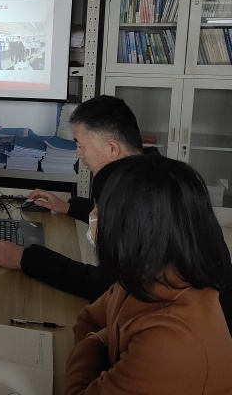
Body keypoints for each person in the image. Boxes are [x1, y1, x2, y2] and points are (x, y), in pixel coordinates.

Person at [65, 156, 232, 394]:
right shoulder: (145, 278)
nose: (93, 219)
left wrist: (95, 341)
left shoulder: (172, 340)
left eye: (99, 211)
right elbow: (89, 318)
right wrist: (102, 340)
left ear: (134, 227)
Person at [0, 94, 143, 301]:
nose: (78, 154)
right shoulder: (145, 177)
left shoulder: (137, 200)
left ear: (112, 149)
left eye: (81, 146)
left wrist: (25, 259)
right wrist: (68, 207)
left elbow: (105, 286)